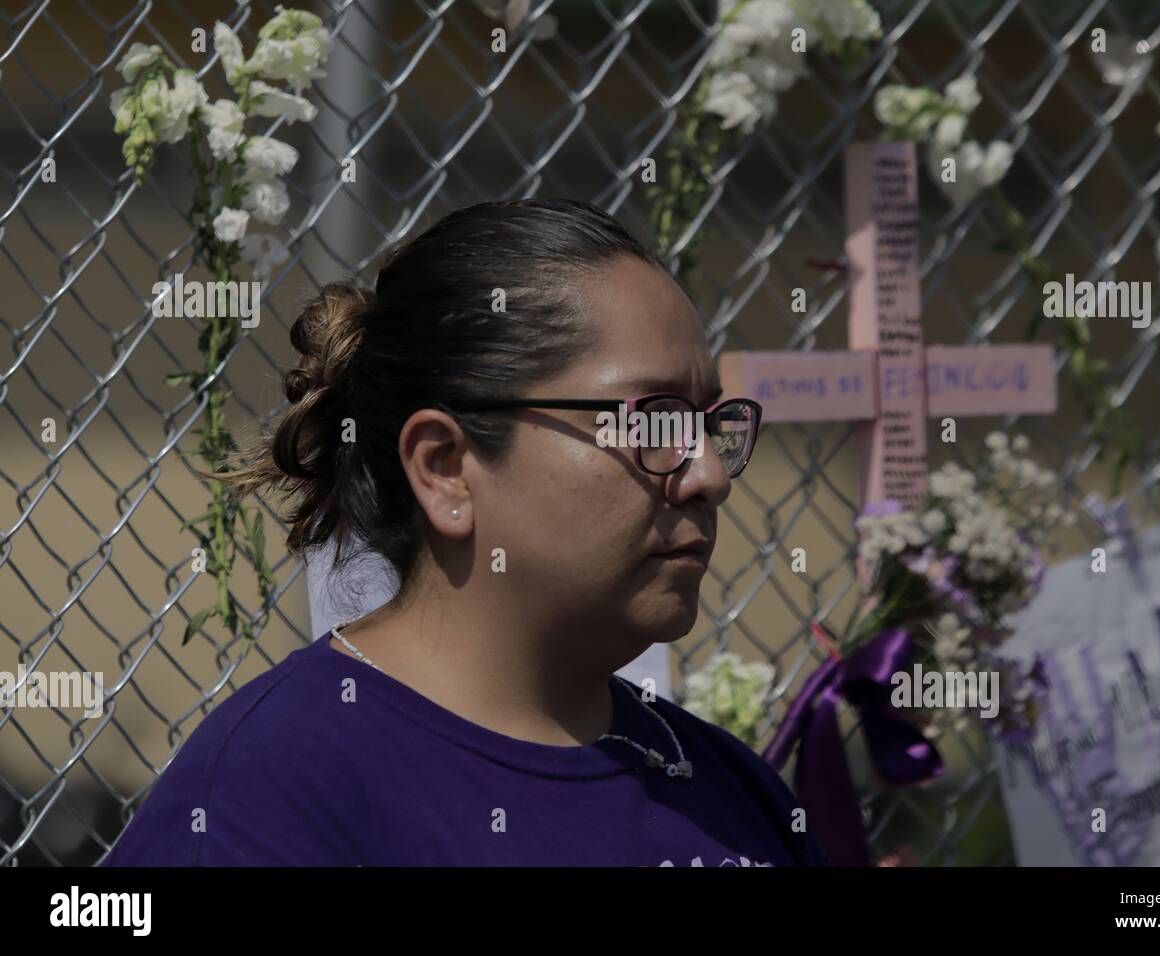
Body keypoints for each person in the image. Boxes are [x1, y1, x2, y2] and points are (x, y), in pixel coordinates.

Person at [101, 198, 833, 866]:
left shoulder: (736, 798)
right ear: (446, 467)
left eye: (713, 425)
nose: (710, 474)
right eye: (656, 422)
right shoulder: (268, 795)